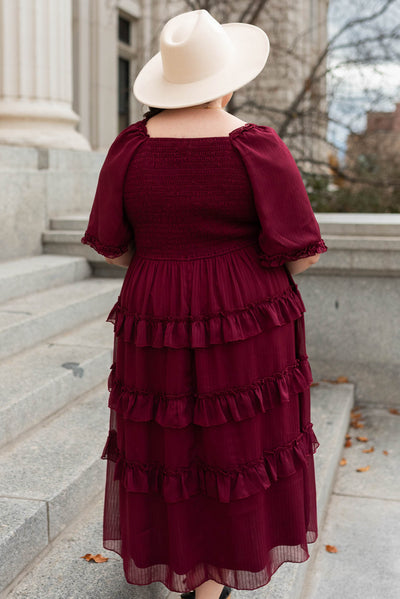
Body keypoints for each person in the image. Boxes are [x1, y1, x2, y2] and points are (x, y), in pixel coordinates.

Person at [81, 9, 328, 599]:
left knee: (168, 445)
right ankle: (216, 577)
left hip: (155, 309)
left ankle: (187, 569)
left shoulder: (130, 148)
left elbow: (112, 248)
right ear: (226, 80)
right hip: (245, 313)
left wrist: (167, 259)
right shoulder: (254, 147)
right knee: (235, 446)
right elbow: (301, 253)